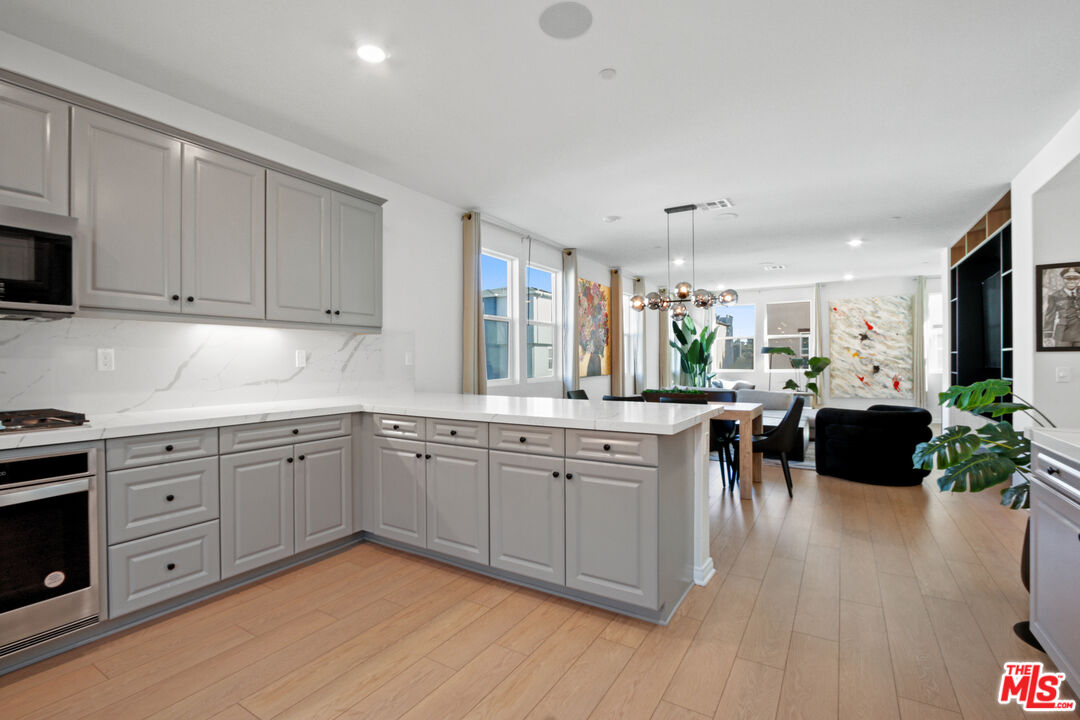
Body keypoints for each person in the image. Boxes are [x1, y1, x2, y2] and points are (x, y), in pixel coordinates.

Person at [1043, 266, 1080, 347]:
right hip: (1062, 335)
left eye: (1075, 278)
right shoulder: (1055, 296)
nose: (1072, 281)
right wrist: (1047, 336)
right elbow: (1050, 316)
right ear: (1063, 279)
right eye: (1068, 278)